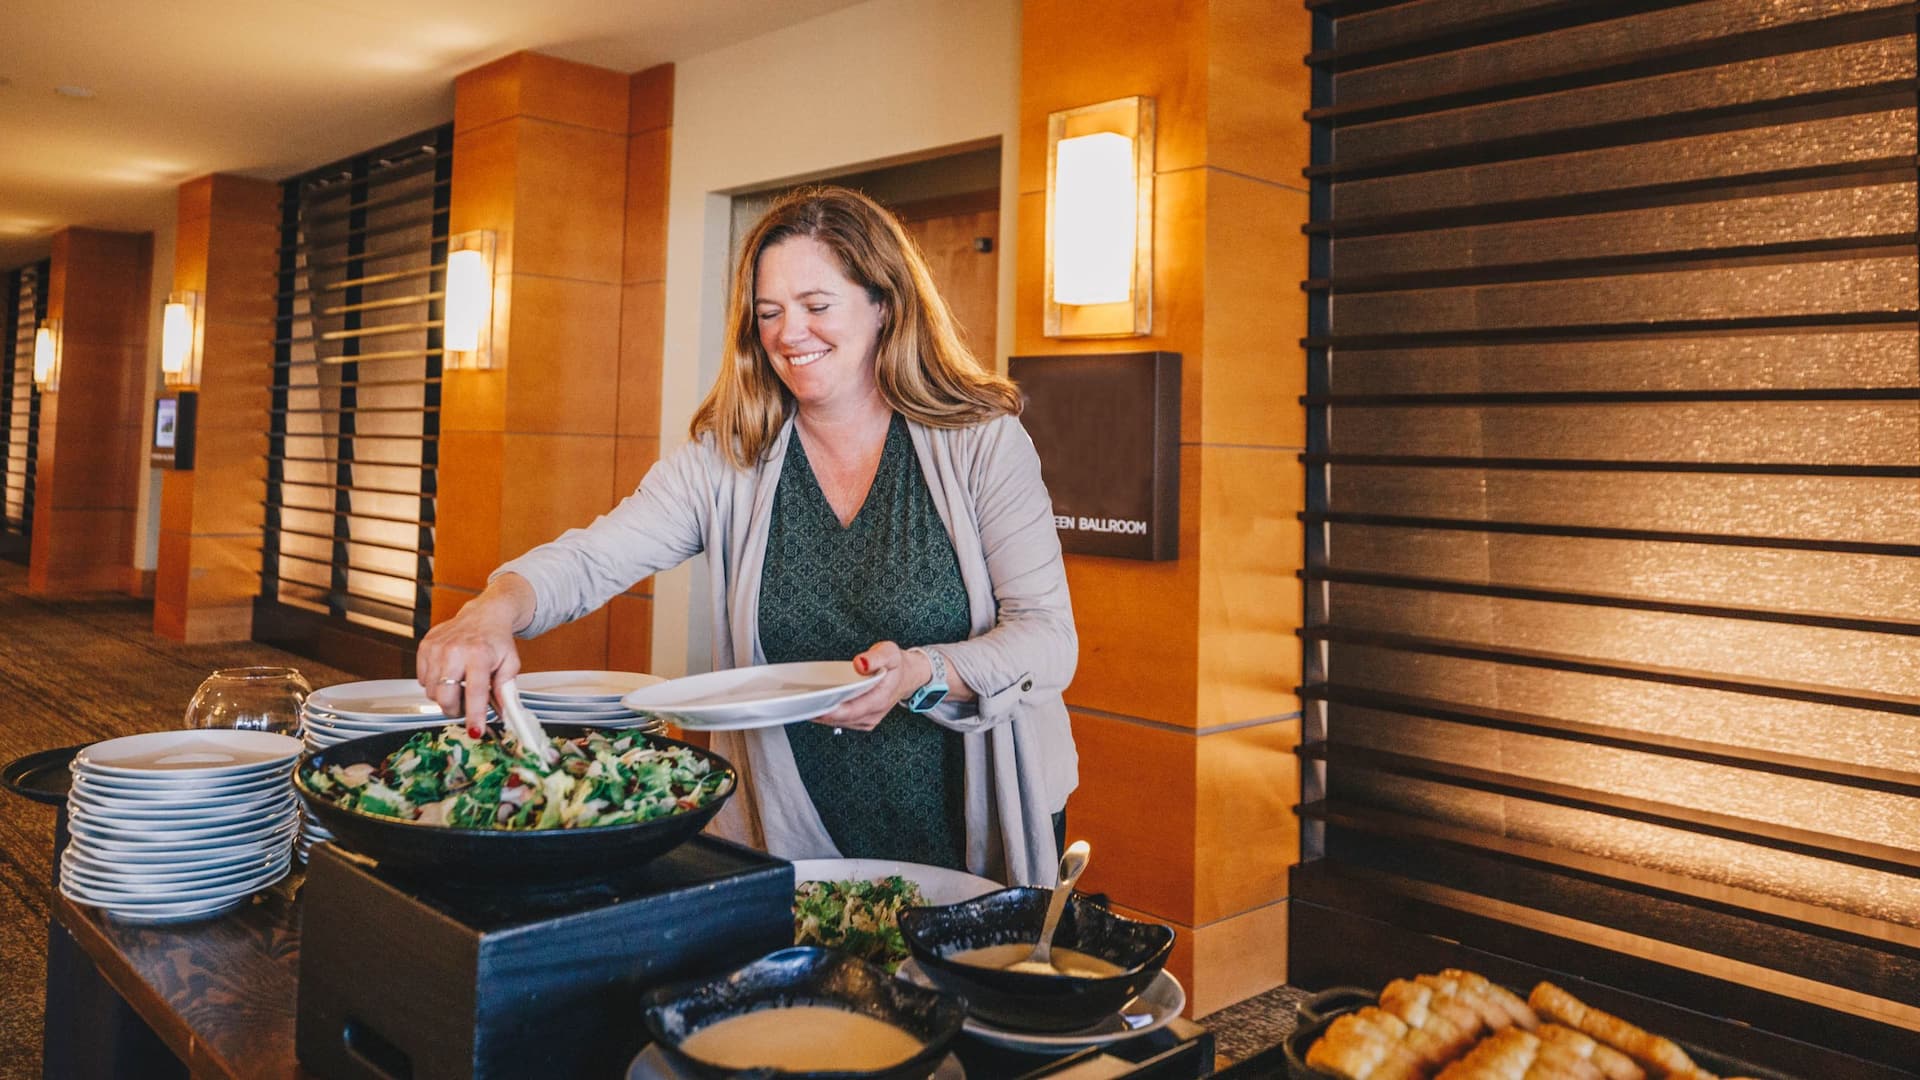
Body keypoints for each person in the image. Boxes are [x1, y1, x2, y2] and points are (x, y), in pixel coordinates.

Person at [416, 186, 1077, 885]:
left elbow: (1047, 638)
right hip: (798, 823)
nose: (791, 333)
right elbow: (592, 557)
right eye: (770, 313)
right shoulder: (730, 460)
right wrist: (492, 608)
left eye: (817, 306)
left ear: (885, 305)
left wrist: (925, 672)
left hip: (973, 807)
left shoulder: (981, 444)